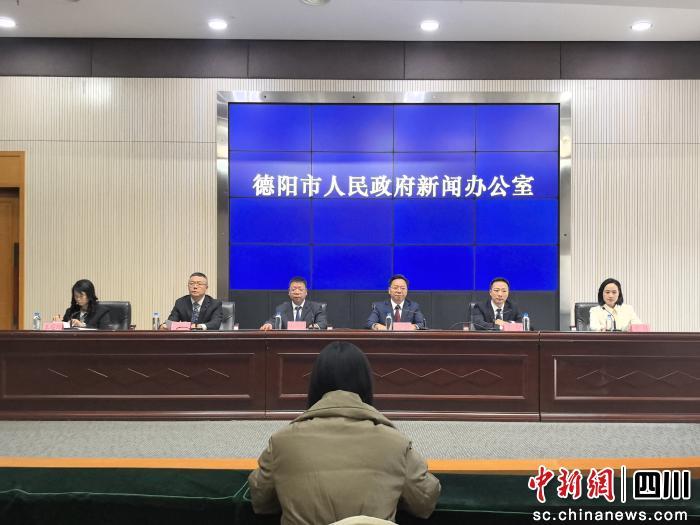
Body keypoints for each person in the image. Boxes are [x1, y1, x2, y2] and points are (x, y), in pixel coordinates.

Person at [248, 341, 440, 525]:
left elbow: (261, 502)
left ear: (315, 384)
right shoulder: (396, 442)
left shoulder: (282, 441)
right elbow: (425, 501)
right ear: (366, 383)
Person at [260, 277, 327, 330]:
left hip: (308, 341)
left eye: (300, 289)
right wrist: (269, 325)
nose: (297, 292)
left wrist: (313, 327)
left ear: (306, 292)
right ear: (289, 292)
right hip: (288, 341)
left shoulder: (315, 307)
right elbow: (274, 320)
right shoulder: (282, 308)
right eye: (293, 289)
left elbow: (323, 323)